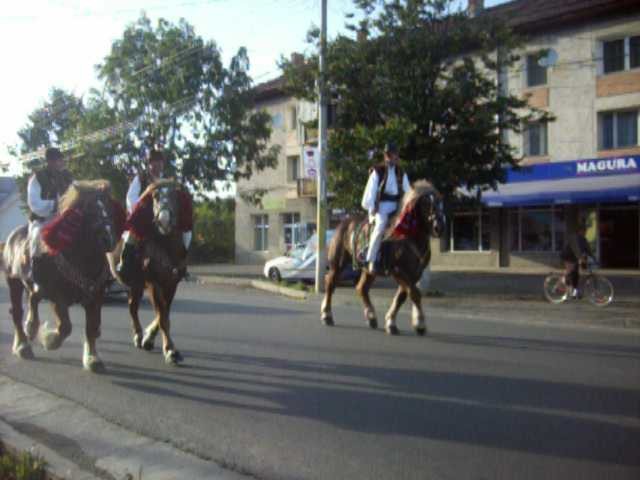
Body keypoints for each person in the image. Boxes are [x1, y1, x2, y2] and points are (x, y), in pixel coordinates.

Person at [117, 149, 192, 282]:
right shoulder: (141, 177)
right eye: (153, 162)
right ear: (149, 164)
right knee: (131, 235)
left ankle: (182, 265)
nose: (157, 165)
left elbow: (176, 196)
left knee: (186, 232)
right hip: (146, 217)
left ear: (163, 163)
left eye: (159, 162)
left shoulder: (169, 179)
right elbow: (131, 197)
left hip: (167, 215)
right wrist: (142, 209)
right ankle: (124, 265)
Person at [26, 147, 74, 288]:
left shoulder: (68, 176)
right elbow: (34, 203)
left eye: (60, 160)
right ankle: (36, 274)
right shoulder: (37, 177)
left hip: (65, 218)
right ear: (49, 161)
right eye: (55, 160)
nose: (59, 163)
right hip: (43, 219)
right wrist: (55, 205)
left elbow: (76, 192)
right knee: (37, 237)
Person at [360, 142, 411, 274]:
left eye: (393, 155)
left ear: (397, 156)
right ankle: (370, 259)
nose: (391, 158)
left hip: (397, 206)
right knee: (381, 226)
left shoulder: (401, 172)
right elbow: (370, 192)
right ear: (385, 156)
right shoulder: (378, 171)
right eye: (388, 155)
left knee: (409, 225)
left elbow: (408, 191)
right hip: (381, 206)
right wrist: (372, 209)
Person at [560, 223, 596, 298]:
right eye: (584, 231)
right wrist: (580, 258)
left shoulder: (584, 240)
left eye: (585, 231)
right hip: (568, 256)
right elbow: (576, 249)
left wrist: (594, 258)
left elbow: (588, 250)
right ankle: (561, 284)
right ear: (579, 231)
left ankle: (575, 293)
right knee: (570, 271)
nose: (585, 232)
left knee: (577, 275)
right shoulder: (574, 238)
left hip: (575, 258)